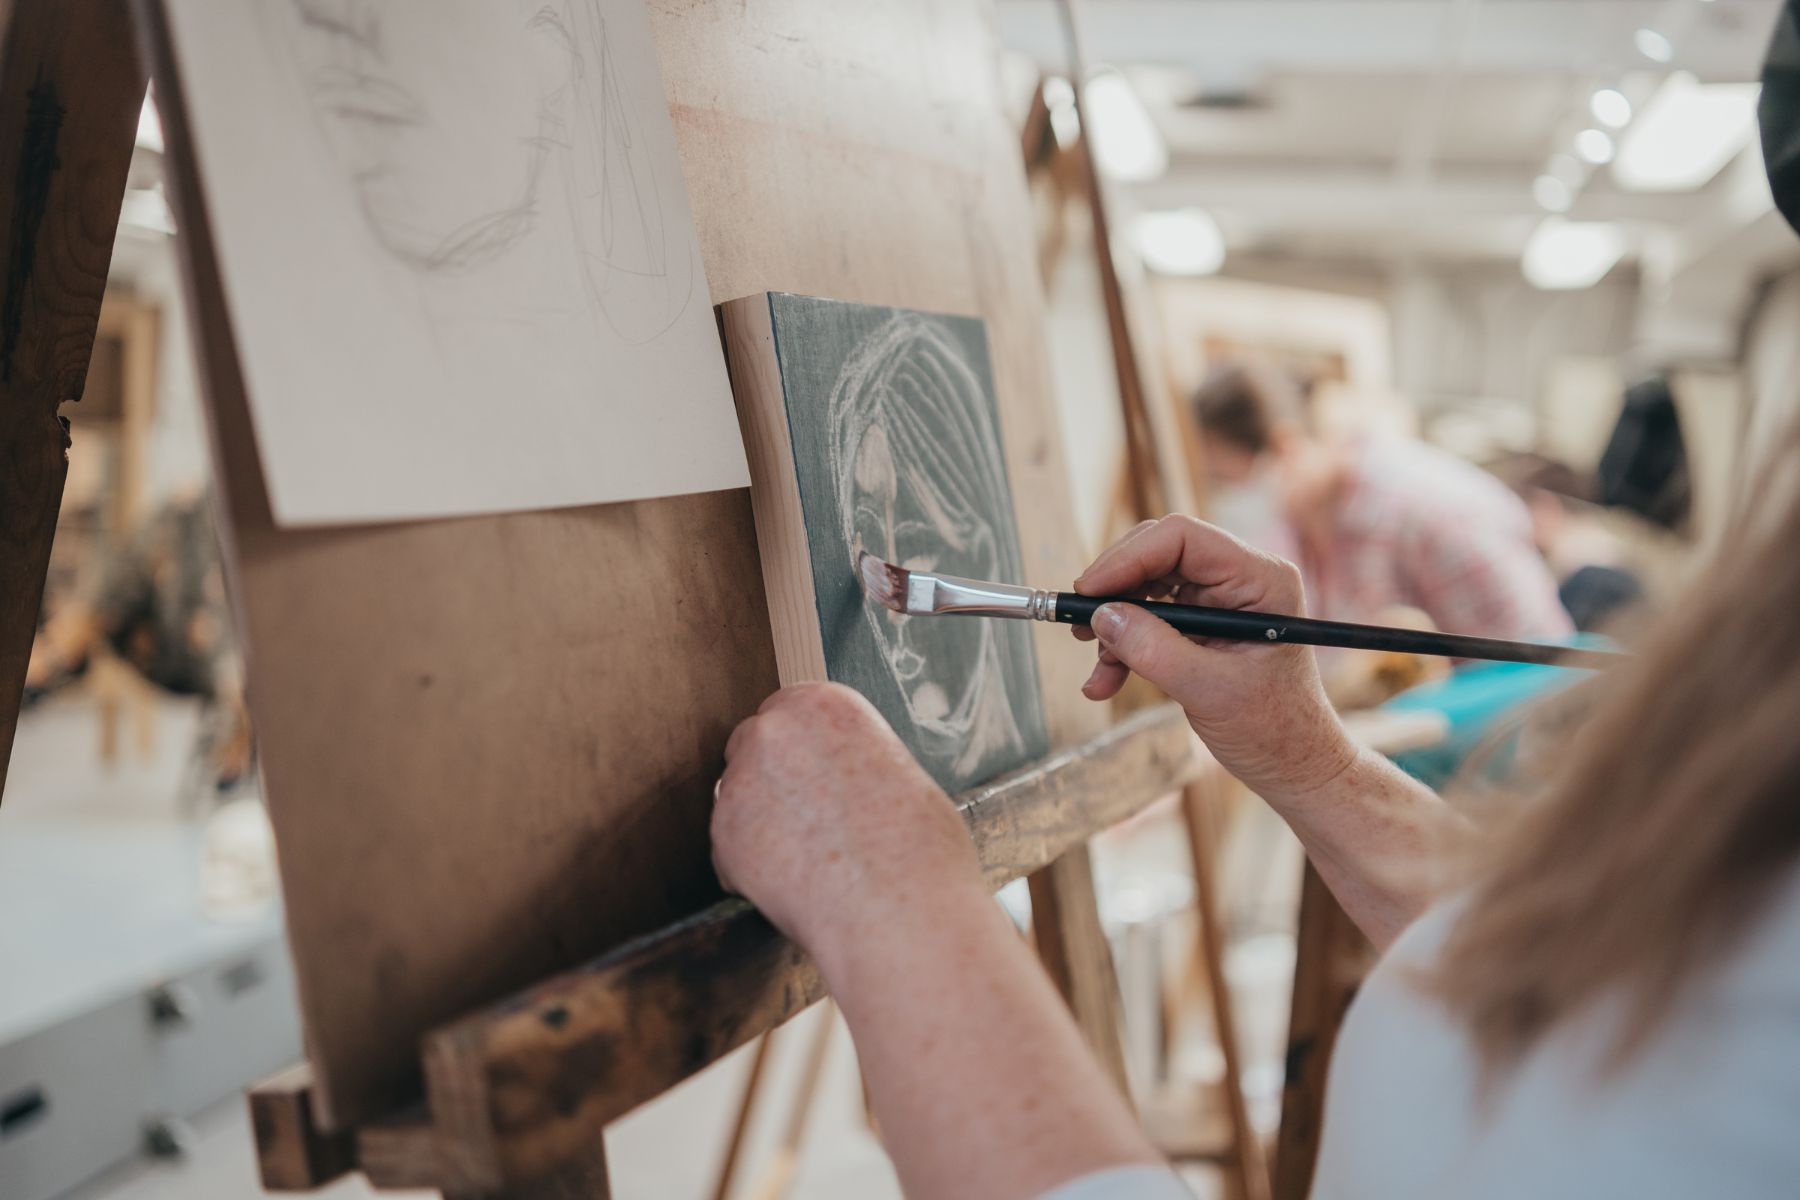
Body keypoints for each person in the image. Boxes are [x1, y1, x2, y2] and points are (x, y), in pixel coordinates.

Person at [1192, 361, 1573, 645]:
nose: (1226, 499)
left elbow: (1532, 667)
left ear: (1283, 446)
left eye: (1225, 481)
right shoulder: (1298, 529)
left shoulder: (1426, 507)